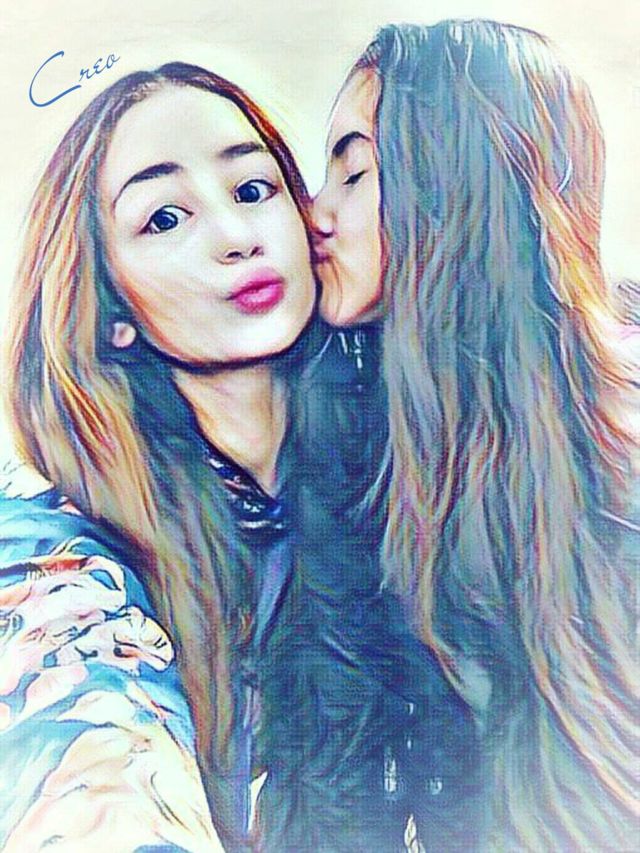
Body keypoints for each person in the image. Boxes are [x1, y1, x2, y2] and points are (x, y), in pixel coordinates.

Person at [313, 20, 638, 851]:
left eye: (354, 171)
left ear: (452, 176)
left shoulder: (616, 439)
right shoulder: (364, 431)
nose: (317, 212)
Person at [0, 60, 316, 851]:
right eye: (165, 218)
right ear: (113, 307)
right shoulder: (49, 538)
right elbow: (90, 753)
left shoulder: (400, 474)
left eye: (253, 189)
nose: (237, 237)